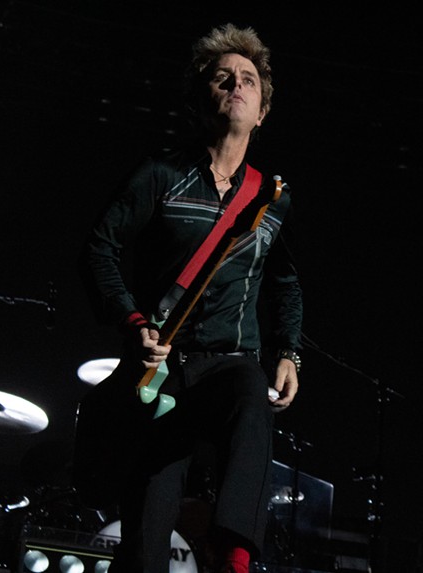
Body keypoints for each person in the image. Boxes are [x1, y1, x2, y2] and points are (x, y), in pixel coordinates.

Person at [77, 23, 302, 573]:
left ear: (263, 110)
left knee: (252, 401)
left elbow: (286, 283)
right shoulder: (160, 174)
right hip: (163, 366)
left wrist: (288, 352)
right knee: (148, 519)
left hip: (231, 362)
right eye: (222, 78)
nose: (236, 86)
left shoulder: (273, 200)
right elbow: (98, 250)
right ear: (200, 98)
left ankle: (235, 555)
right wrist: (133, 323)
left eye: (248, 79)